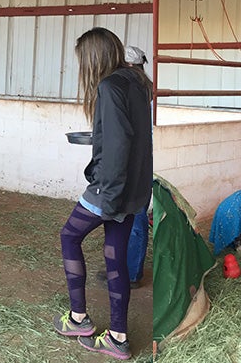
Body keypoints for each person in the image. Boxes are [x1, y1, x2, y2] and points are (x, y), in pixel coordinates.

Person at [53, 28, 153, 359]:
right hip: (135, 189)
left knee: (69, 236)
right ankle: (117, 337)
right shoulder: (136, 83)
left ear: (93, 57)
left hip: (111, 189)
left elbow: (118, 144)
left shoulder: (110, 86)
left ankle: (79, 318)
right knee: (115, 256)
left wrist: (107, 197)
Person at [97, 45, 151, 289]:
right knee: (132, 217)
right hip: (139, 161)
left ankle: (130, 274)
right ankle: (127, 270)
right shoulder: (141, 86)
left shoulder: (126, 87)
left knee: (135, 218)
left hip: (134, 162)